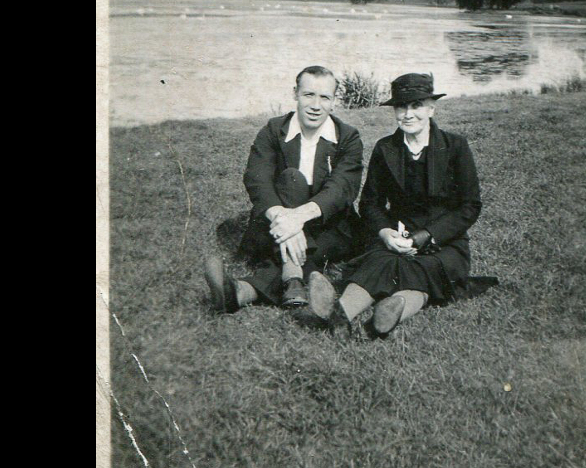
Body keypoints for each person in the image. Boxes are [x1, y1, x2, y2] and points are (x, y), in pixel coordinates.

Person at [307, 72, 484, 338]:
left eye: (417, 106)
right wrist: (385, 233)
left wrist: (426, 236)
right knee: (379, 261)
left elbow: (470, 206)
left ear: (431, 109)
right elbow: (370, 203)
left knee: (425, 268)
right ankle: (340, 313)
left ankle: (386, 317)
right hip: (398, 236)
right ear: (394, 111)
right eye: (401, 107)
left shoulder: (455, 146)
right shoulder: (385, 148)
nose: (408, 114)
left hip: (444, 241)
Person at [205, 65, 363, 311]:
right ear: (295, 94)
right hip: (276, 221)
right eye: (308, 95)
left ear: (333, 101)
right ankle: (293, 279)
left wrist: (296, 219)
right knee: (292, 179)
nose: (316, 105)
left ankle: (241, 292)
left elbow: (342, 187)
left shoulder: (347, 137)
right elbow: (257, 179)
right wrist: (287, 222)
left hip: (327, 226)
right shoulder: (273, 130)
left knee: (309, 241)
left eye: (324, 97)